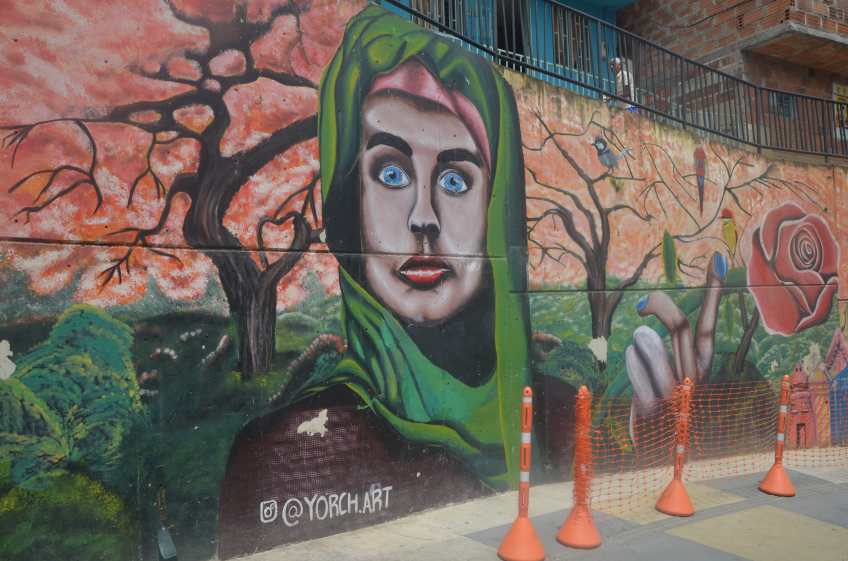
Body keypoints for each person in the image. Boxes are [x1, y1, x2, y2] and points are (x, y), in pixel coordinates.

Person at [216, 6, 573, 558]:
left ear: (496, 209)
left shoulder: (563, 416)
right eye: (390, 173)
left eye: (456, 180)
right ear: (347, 204)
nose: (423, 218)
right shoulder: (278, 454)